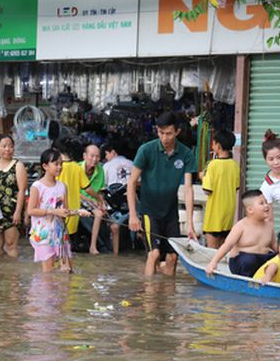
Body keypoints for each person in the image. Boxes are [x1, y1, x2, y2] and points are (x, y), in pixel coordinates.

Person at [128, 111, 198, 276]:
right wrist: (132, 215)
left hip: (171, 213)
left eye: (168, 134)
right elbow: (131, 183)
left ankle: (167, 300)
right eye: (161, 133)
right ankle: (150, 299)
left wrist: (190, 223)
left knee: (173, 256)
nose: (164, 137)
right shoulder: (146, 150)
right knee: (155, 254)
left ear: (177, 132)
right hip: (149, 210)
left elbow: (188, 188)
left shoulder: (186, 154)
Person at [27, 149, 92, 273]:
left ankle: (64, 292)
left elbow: (65, 211)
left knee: (67, 270)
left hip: (60, 233)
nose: (60, 167)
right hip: (43, 235)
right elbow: (30, 211)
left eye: (61, 164)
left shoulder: (62, 186)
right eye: (56, 164)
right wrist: (53, 212)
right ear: (45, 166)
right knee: (48, 271)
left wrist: (78, 212)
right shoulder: (37, 186)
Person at [205, 189, 276, 278]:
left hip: (262, 260)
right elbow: (227, 245)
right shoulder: (241, 226)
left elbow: (274, 244)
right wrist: (213, 262)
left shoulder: (269, 226)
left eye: (266, 202)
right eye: (262, 203)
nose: (266, 206)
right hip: (243, 262)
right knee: (249, 260)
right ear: (250, 209)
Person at [52, 137, 104, 240]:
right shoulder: (77, 167)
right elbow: (88, 189)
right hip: (73, 214)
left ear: (55, 151)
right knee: (67, 245)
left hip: (56, 212)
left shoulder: (56, 168)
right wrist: (99, 200)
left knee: (54, 246)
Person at [201, 130, 240, 249]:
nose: (212, 146)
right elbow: (235, 188)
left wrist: (203, 177)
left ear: (218, 146)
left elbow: (207, 190)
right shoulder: (235, 165)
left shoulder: (212, 165)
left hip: (214, 216)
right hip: (228, 216)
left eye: (213, 144)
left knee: (212, 253)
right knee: (223, 252)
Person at [79, 144, 119, 254]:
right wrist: (93, 201)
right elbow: (73, 192)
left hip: (96, 201)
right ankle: (93, 247)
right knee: (99, 213)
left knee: (115, 227)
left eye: (97, 156)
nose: (95, 159)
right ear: (84, 156)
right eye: (92, 156)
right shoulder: (77, 168)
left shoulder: (100, 169)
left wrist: (102, 203)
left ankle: (115, 257)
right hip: (81, 199)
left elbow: (100, 192)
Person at [0, 135, 28, 257]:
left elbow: (22, 190)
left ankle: (14, 275)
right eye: (4, 146)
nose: (7, 149)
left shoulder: (18, 166)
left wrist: (18, 212)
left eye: (10, 146)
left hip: (12, 210)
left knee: (10, 245)